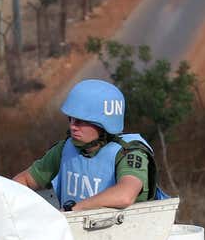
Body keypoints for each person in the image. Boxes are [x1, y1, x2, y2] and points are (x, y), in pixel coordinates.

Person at [11, 79, 162, 212]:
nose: (73, 127)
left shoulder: (129, 153)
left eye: (80, 121)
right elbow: (26, 180)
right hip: (74, 235)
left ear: (103, 125)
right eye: (71, 119)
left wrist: (76, 209)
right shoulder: (65, 149)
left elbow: (125, 195)